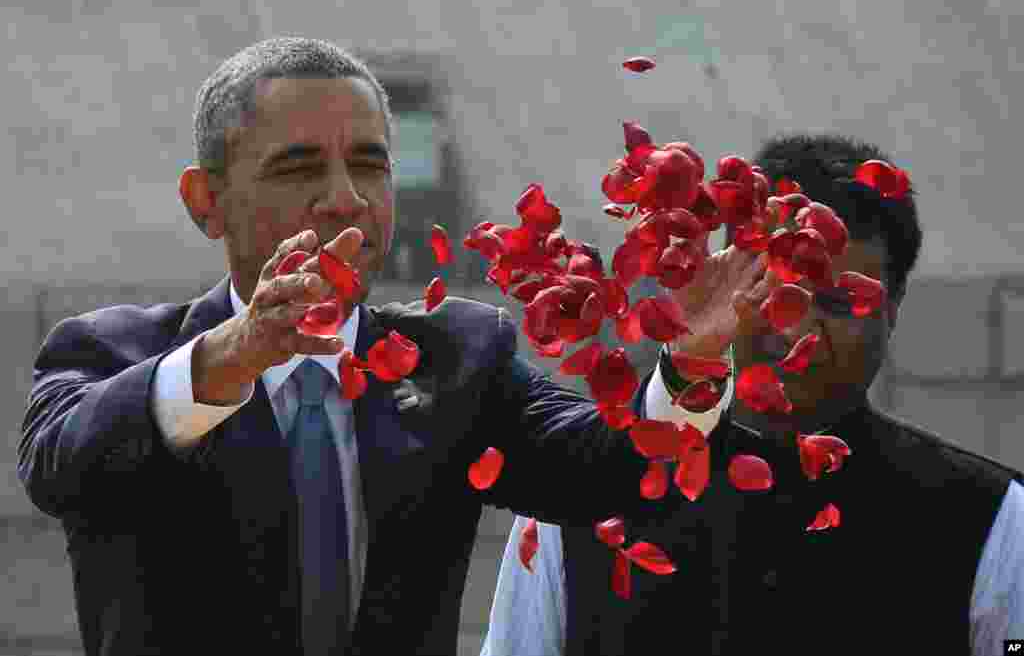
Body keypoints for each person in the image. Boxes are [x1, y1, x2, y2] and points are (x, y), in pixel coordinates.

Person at [17, 37, 699, 656]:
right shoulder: (111, 352)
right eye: (297, 168)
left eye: (369, 166)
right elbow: (62, 462)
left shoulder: (458, 357)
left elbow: (611, 469)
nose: (345, 199)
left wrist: (695, 357)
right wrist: (233, 354)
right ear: (207, 201)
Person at [481, 133, 1024, 656]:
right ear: (726, 275)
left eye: (837, 301)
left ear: (894, 307)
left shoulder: (992, 520)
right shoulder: (578, 488)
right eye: (771, 287)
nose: (793, 328)